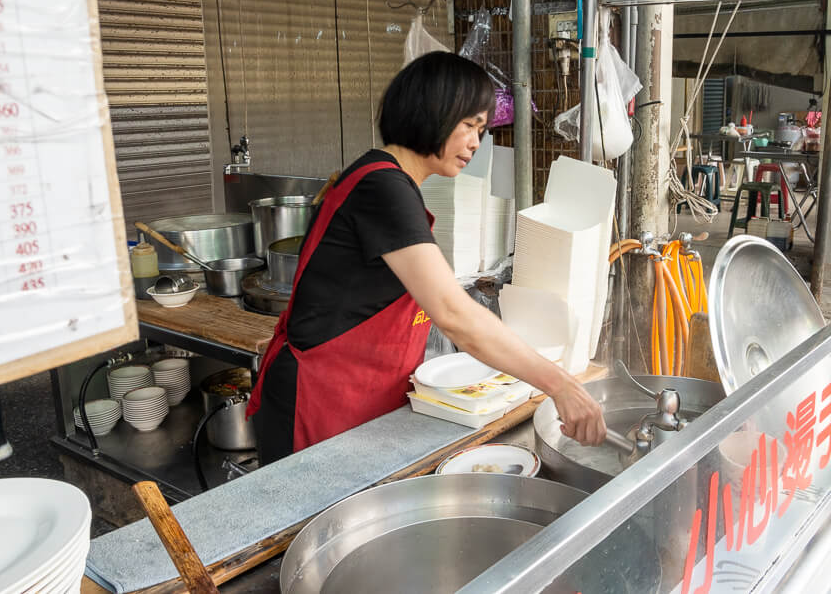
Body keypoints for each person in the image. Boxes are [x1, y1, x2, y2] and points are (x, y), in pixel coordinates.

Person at [247, 51, 606, 464]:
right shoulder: (383, 188)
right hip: (318, 402)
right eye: (469, 125)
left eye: (481, 129)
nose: (476, 141)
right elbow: (452, 313)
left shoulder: (391, 183)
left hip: (355, 397)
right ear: (432, 111)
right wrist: (559, 384)